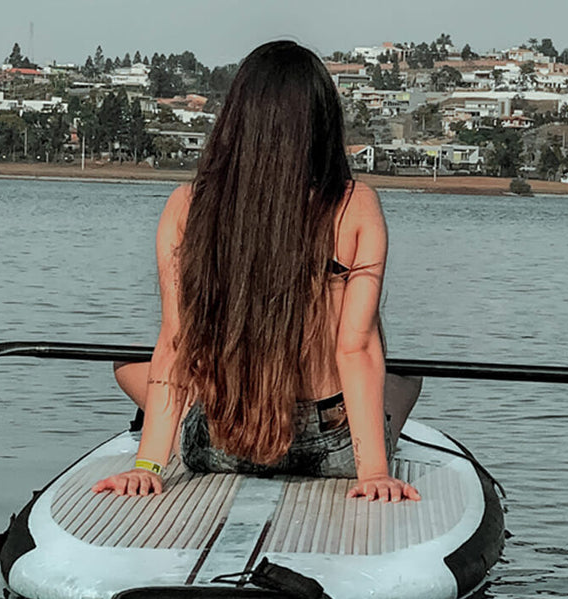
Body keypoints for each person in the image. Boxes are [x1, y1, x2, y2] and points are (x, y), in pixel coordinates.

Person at [91, 40, 422, 503]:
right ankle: (381, 432)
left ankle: (175, 418)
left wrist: (149, 465)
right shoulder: (355, 204)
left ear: (237, 120)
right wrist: (373, 475)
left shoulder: (187, 206)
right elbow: (357, 346)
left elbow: (175, 341)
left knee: (127, 365)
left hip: (222, 444)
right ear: (322, 123)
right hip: (332, 451)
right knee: (407, 379)